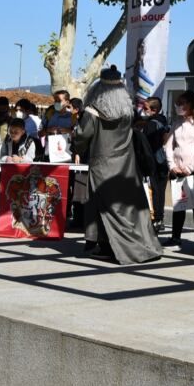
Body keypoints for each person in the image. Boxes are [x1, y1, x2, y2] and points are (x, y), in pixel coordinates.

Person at [70, 66, 162, 265]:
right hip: (127, 164)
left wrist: (75, 143)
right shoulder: (127, 109)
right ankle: (146, 245)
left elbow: (82, 135)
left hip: (102, 163)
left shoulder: (93, 110)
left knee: (103, 206)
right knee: (129, 207)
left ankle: (109, 247)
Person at [163, 90, 194, 248]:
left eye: (183, 103)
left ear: (191, 105)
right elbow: (169, 146)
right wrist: (172, 166)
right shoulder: (176, 124)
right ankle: (175, 237)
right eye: (178, 103)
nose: (179, 106)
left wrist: (190, 168)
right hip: (177, 171)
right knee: (178, 206)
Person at [135, 97, 170, 232]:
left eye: (145, 108)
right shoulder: (164, 121)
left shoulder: (151, 125)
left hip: (153, 162)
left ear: (154, 110)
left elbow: (147, 145)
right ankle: (160, 219)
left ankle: (155, 219)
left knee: (154, 191)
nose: (143, 111)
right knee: (160, 192)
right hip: (163, 161)